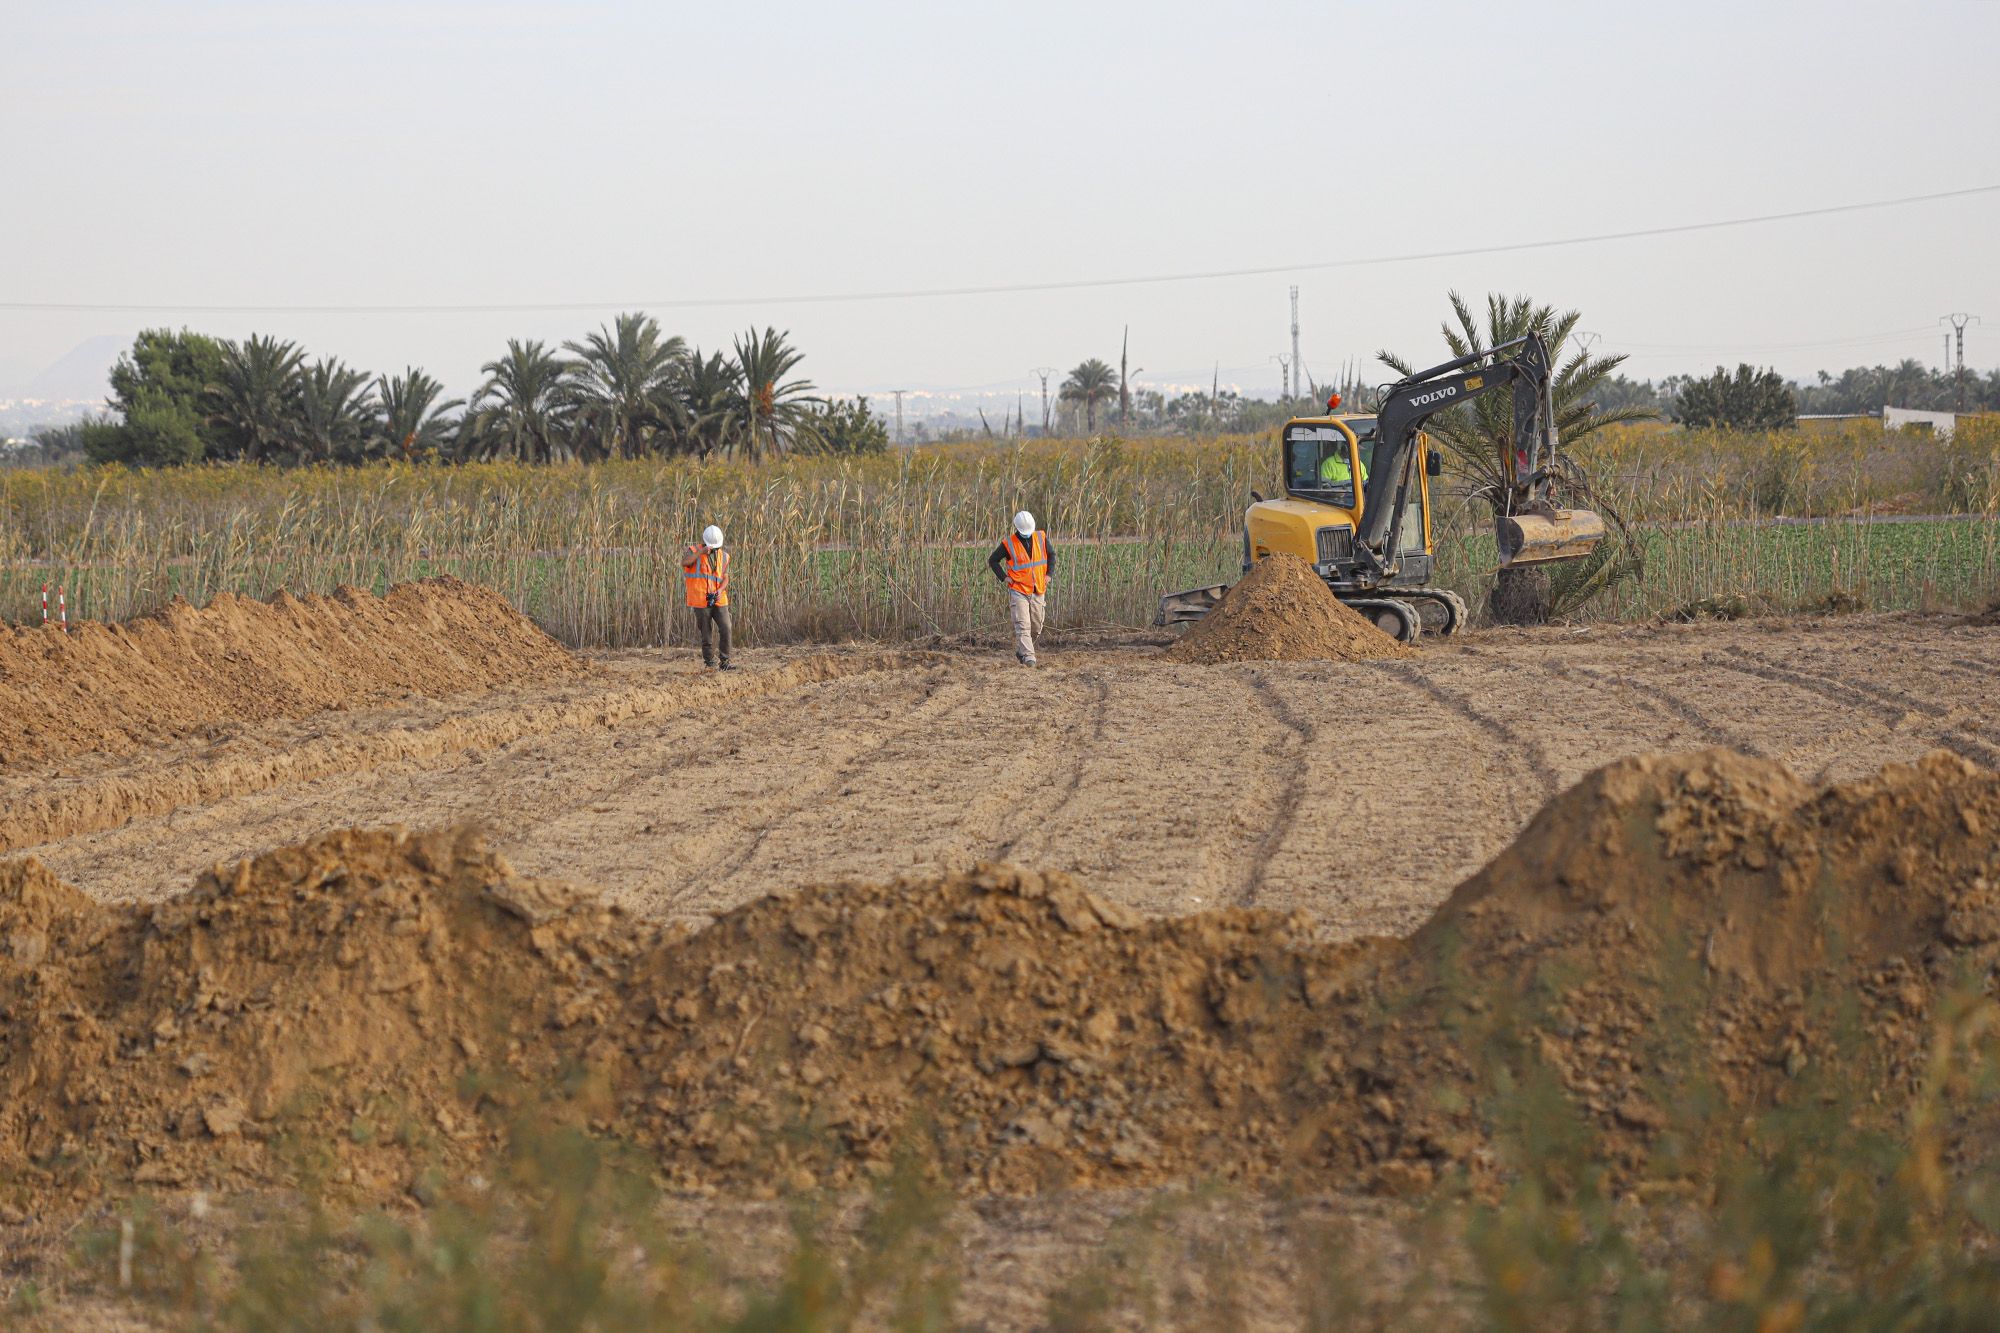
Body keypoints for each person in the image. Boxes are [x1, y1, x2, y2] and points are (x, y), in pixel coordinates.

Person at [988, 510, 1052, 666]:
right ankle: (1029, 658)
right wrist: (1004, 577)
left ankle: (1022, 649)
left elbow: (1052, 555)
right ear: (1016, 528)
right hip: (1018, 589)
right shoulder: (1008, 544)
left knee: (1036, 627)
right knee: (1023, 625)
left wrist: (1049, 574)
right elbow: (993, 560)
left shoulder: (1041, 537)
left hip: (1038, 588)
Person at [682, 524, 733, 670]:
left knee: (726, 627)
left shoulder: (724, 556)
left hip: (719, 598)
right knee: (706, 633)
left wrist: (719, 590)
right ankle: (710, 663)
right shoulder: (693, 551)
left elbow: (726, 578)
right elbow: (684, 563)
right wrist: (701, 552)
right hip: (700, 600)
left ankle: (725, 662)